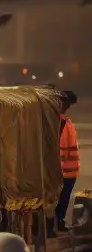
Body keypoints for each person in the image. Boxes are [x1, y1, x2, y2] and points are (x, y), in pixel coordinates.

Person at [56, 91, 80, 232]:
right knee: (62, 199)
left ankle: (59, 221)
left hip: (69, 169)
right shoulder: (61, 123)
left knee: (64, 198)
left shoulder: (64, 122)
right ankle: (58, 222)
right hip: (64, 169)